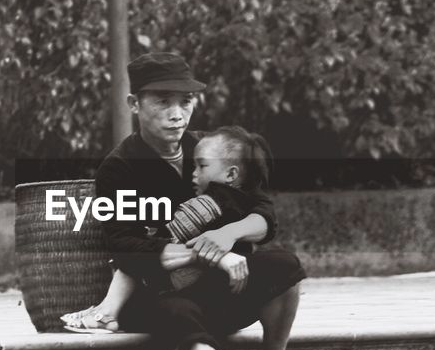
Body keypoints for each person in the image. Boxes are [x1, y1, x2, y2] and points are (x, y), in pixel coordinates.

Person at [68, 52, 319, 350]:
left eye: (185, 102)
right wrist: (208, 255)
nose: (176, 113)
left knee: (285, 265)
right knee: (177, 313)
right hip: (162, 295)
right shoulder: (120, 169)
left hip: (223, 287)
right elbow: (126, 247)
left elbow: (264, 213)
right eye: (162, 102)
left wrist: (228, 233)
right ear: (135, 105)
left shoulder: (209, 148)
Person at [61, 124, 276, 328]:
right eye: (163, 101)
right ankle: (106, 310)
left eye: (201, 166)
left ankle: (107, 311)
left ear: (231, 174)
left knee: (136, 260)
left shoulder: (207, 202)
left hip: (185, 280)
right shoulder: (238, 193)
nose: (195, 172)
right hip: (222, 279)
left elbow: (170, 235)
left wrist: (226, 236)